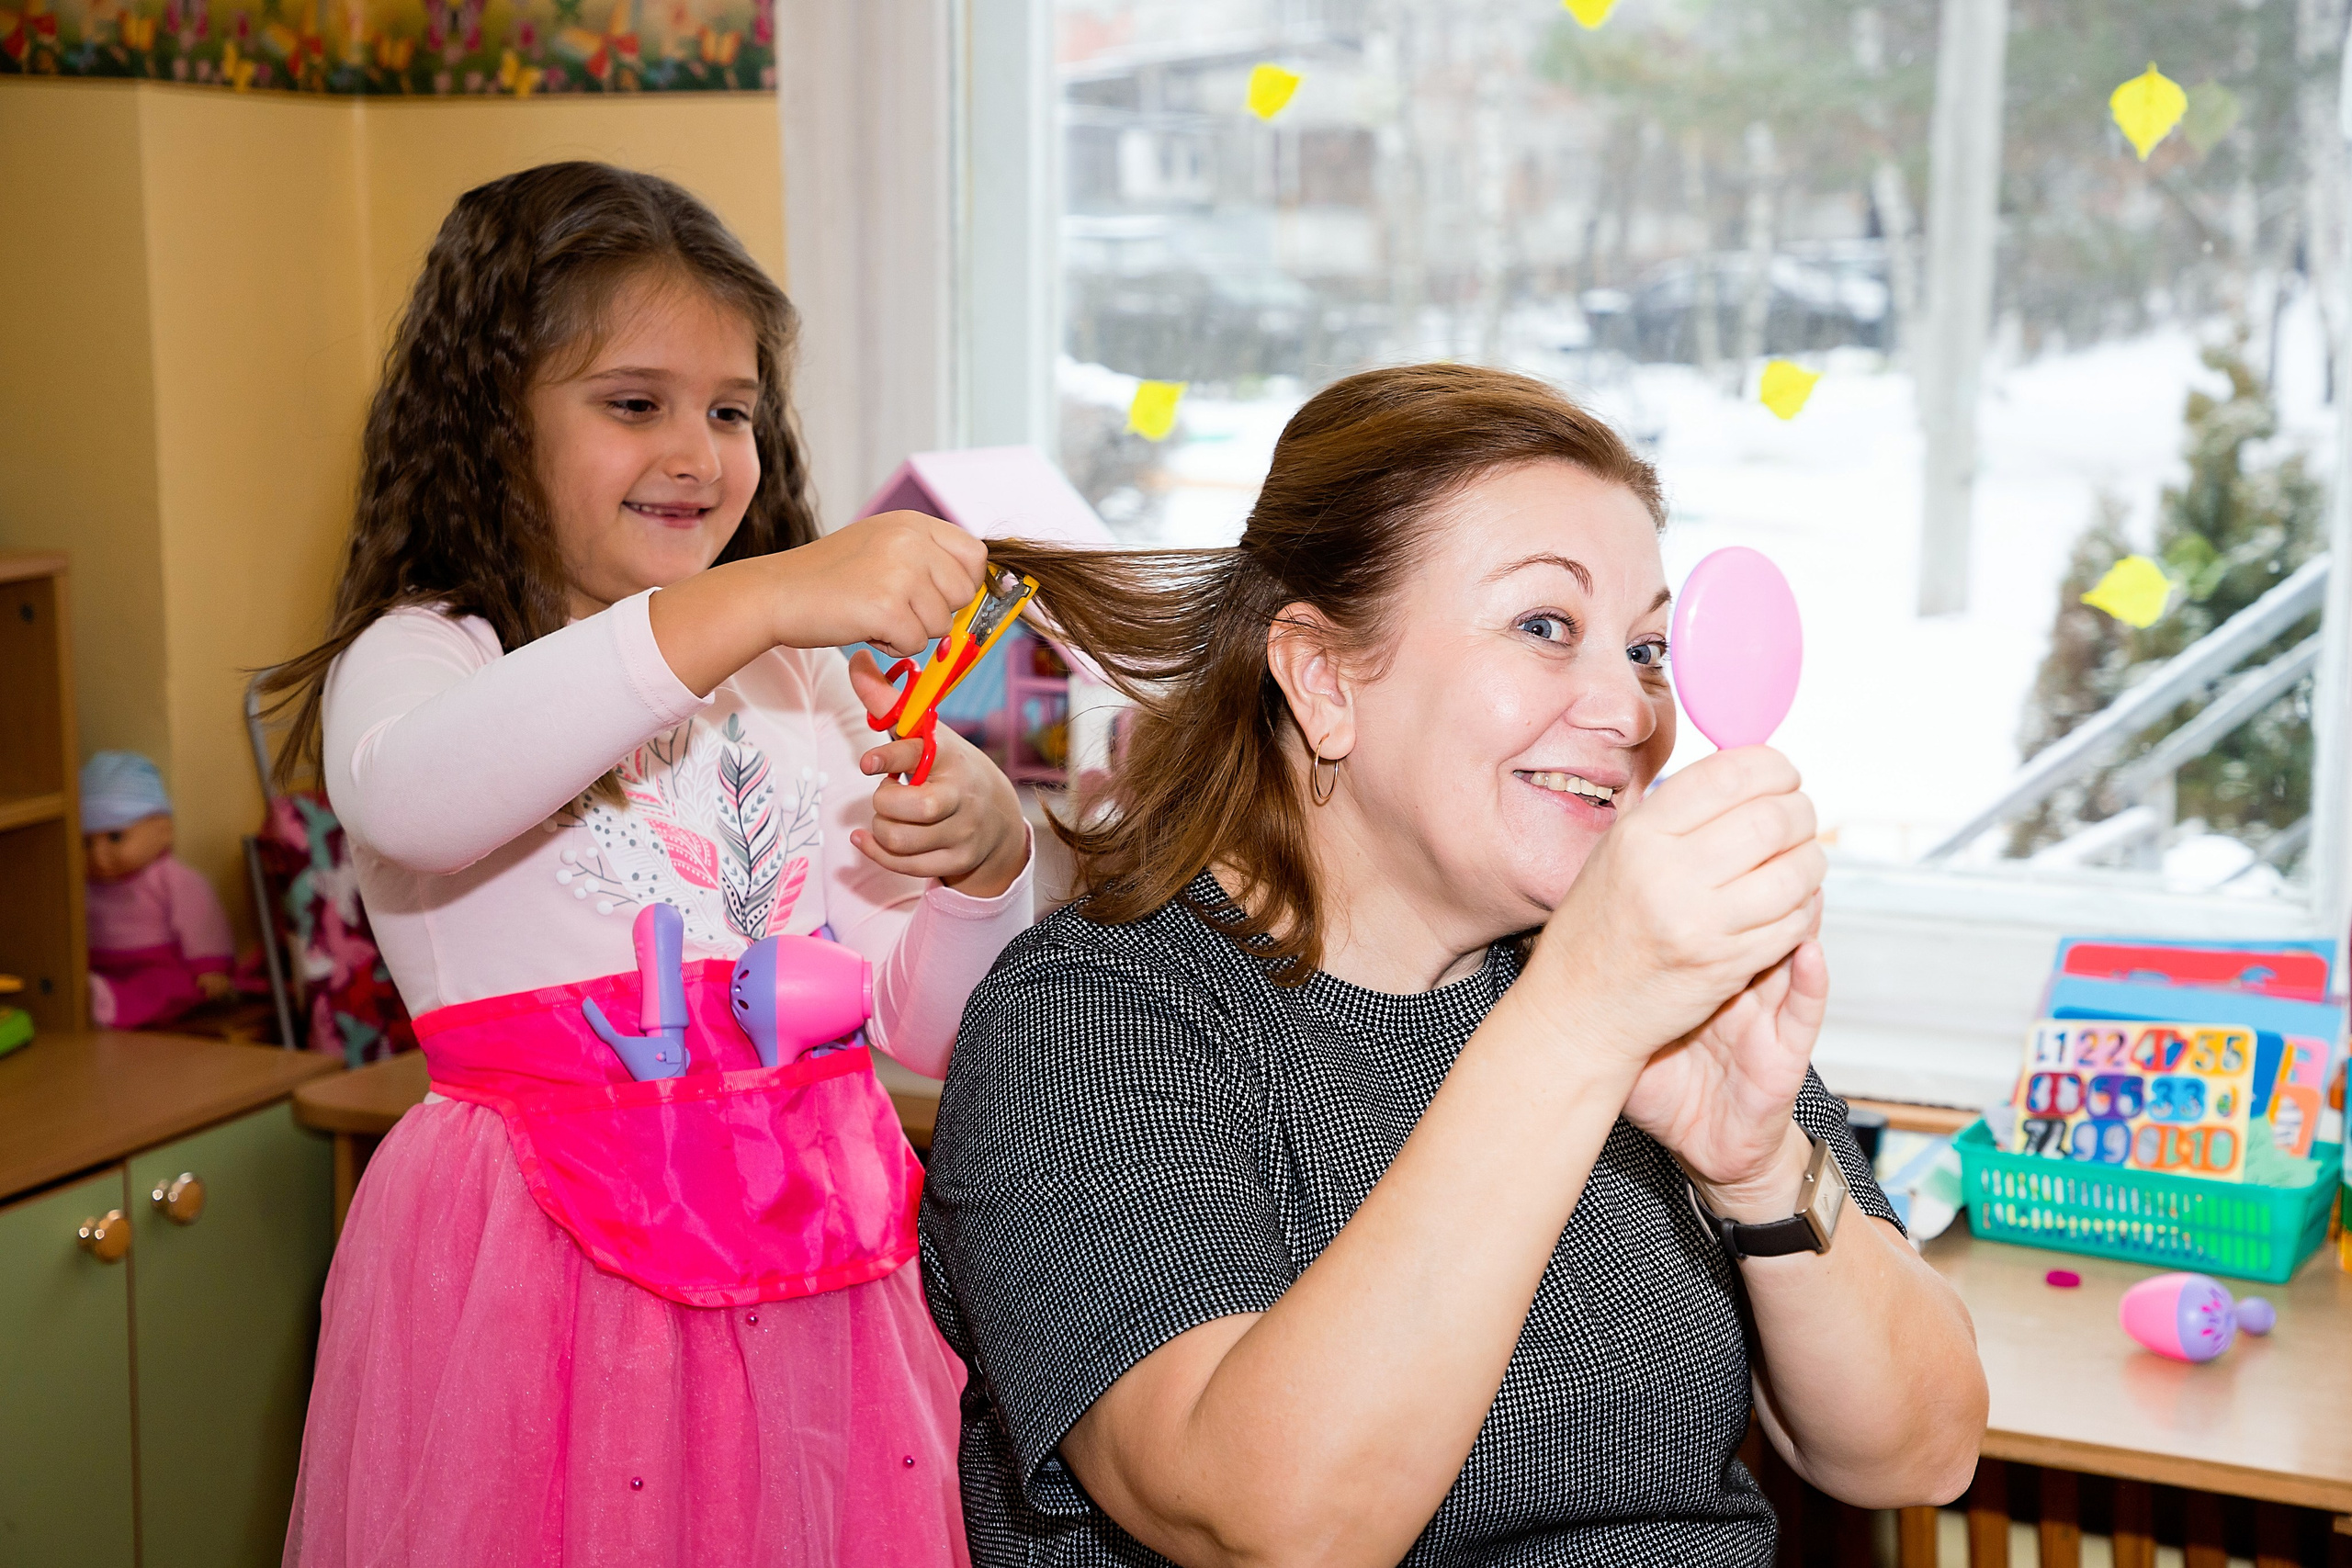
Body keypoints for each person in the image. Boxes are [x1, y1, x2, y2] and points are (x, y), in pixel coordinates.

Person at [920, 365, 1988, 1567]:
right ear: (1322, 676)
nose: (1634, 709)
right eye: (1545, 626)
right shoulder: (1090, 1020)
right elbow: (1269, 1524)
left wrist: (1759, 1166)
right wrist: (1577, 1024)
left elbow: (1919, 1451)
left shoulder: (1633, 982)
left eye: (1646, 646)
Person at [269, 162, 1035, 1567]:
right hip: (535, 1298)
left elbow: (931, 1028)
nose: (699, 451)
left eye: (730, 410)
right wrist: (759, 593)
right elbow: (423, 800)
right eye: (636, 403)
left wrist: (985, 869)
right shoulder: (427, 652)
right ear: (491, 419)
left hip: (820, 1297)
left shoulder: (800, 685)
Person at [80, 750, 237, 1029]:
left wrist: (210, 967)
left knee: (167, 986)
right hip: (101, 966)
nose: (98, 855)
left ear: (163, 830)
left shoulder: (172, 879)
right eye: (86, 843)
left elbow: (202, 923)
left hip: (159, 966)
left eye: (115, 837)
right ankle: (99, 995)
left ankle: (110, 1004)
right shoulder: (85, 885)